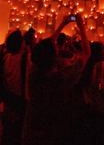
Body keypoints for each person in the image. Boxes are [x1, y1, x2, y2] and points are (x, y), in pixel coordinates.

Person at [22, 14, 91, 145]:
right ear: (54, 58)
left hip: (31, 128)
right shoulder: (61, 78)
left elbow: (44, 48)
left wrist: (62, 25)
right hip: (52, 131)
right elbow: (86, 53)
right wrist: (81, 26)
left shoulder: (34, 73)